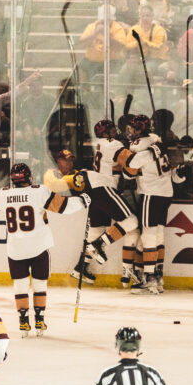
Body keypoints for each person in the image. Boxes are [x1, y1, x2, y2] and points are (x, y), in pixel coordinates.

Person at [0, 163, 88, 335]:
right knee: (39, 284)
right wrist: (84, 199)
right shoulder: (39, 191)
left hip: (15, 249)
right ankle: (40, 320)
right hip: (39, 246)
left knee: (20, 285)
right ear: (29, 177)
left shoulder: (5, 194)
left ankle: (23, 321)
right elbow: (64, 207)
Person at [121, 115, 188, 293]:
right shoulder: (157, 141)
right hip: (166, 193)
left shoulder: (140, 148)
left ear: (139, 130)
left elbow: (128, 170)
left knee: (149, 235)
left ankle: (149, 276)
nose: (130, 132)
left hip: (150, 194)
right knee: (158, 234)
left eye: (132, 129)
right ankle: (158, 274)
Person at [81, 120, 139, 285]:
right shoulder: (113, 144)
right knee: (131, 221)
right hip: (104, 187)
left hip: (94, 188)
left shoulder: (99, 143)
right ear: (106, 134)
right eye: (112, 131)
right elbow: (132, 167)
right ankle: (99, 245)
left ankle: (81, 266)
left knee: (96, 229)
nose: (115, 133)